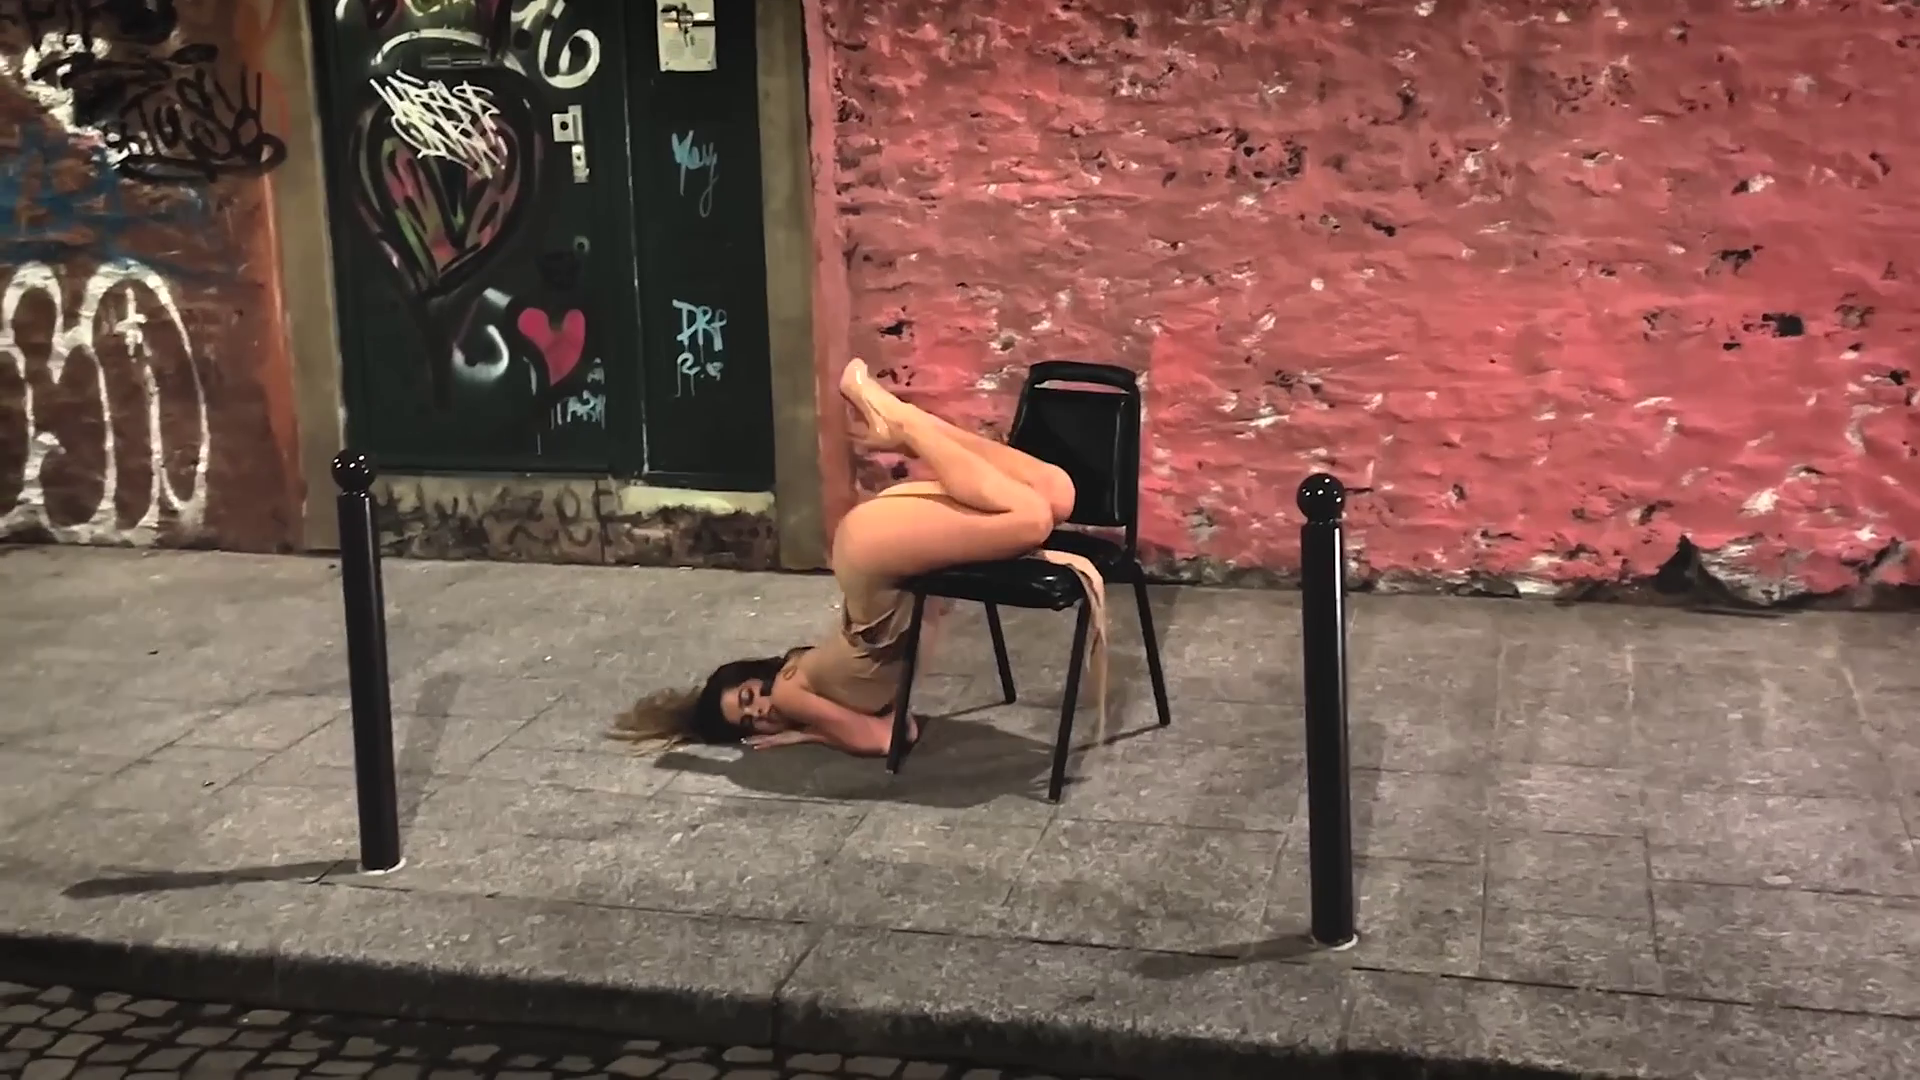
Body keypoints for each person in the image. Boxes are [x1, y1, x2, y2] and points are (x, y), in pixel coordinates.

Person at [612, 358, 1106, 756]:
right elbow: (903, 728)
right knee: (1057, 494)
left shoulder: (790, 691)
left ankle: (903, 423)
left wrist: (817, 733)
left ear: (757, 675)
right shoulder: (806, 684)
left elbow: (882, 741)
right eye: (750, 721)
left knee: (1030, 520)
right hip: (881, 549)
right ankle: (903, 424)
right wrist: (819, 730)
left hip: (874, 557)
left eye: (749, 696)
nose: (762, 709)